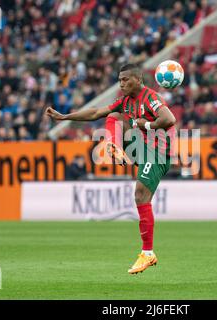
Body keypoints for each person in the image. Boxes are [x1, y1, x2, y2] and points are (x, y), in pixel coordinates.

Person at [45, 64, 177, 275]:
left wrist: (147, 126)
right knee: (113, 117)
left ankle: (148, 253)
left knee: (141, 196)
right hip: (142, 148)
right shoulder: (125, 101)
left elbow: (169, 119)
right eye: (120, 80)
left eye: (125, 79)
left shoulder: (150, 97)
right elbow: (96, 112)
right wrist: (65, 117)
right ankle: (114, 145)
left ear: (138, 79)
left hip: (159, 152)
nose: (121, 83)